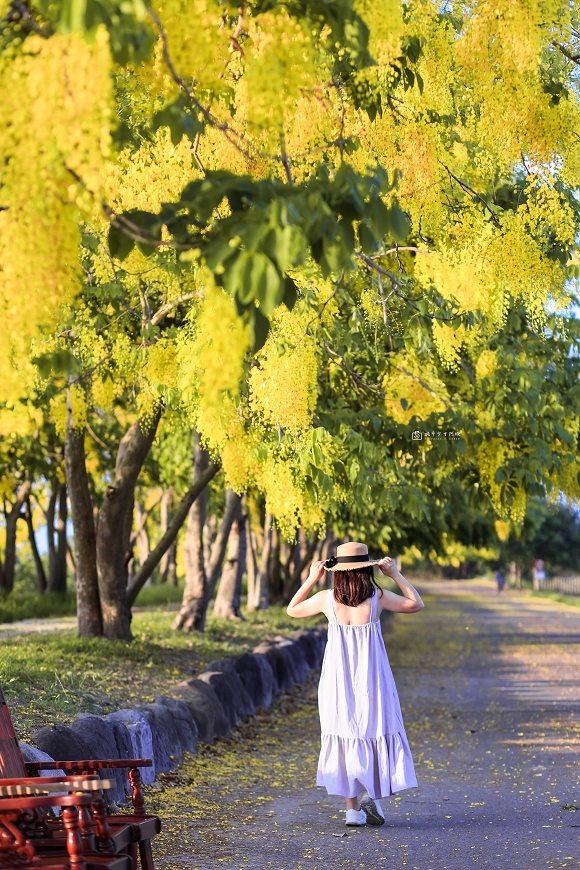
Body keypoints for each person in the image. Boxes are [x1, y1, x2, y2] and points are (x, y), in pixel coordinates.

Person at [286, 540, 424, 828]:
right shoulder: (377, 596)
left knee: (344, 730)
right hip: (372, 677)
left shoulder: (326, 599)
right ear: (366, 569)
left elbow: (292, 609)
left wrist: (312, 578)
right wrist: (395, 574)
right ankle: (372, 796)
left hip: (337, 678)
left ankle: (352, 811)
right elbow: (416, 603)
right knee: (373, 727)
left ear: (338, 570)